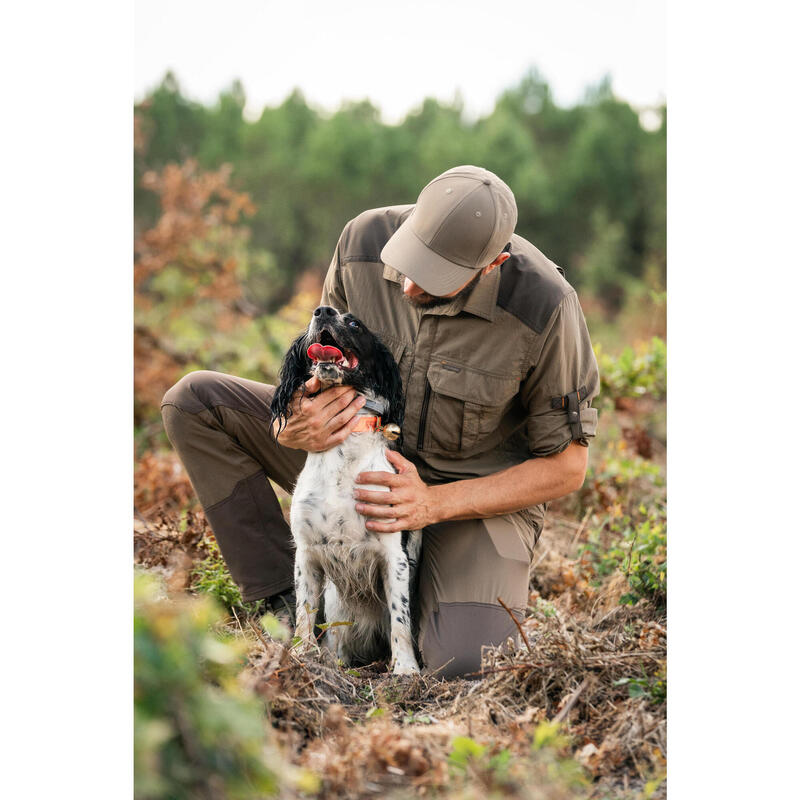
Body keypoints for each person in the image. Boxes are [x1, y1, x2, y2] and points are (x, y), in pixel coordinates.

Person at [161, 165, 599, 678]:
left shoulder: (545, 307)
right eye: (409, 261)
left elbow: (568, 468)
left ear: (492, 265)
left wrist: (433, 504)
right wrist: (292, 424)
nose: (410, 285)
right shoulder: (362, 241)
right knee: (193, 402)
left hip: (467, 496)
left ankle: (412, 612)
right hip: (353, 454)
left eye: (435, 280)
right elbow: (321, 363)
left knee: (465, 660)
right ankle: (288, 608)